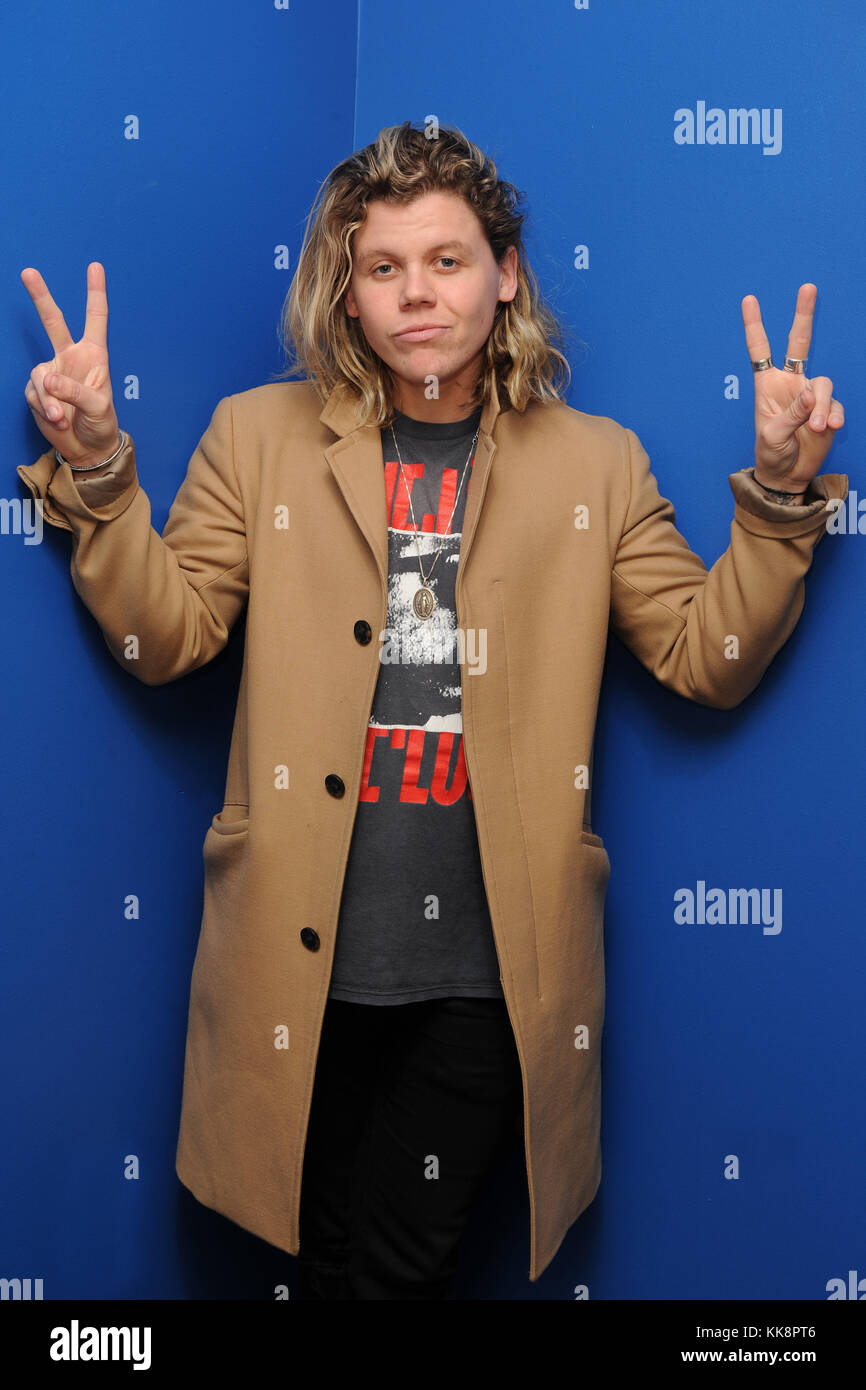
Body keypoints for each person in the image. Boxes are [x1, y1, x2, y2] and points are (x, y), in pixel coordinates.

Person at [18, 122, 847, 1300]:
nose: (417, 293)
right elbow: (168, 638)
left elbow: (702, 655)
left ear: (504, 274)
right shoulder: (256, 440)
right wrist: (99, 463)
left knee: (402, 1268)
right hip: (289, 965)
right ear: (345, 292)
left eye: (447, 261)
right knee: (315, 1258)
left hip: (485, 976)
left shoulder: (595, 465)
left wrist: (774, 493)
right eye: (382, 266)